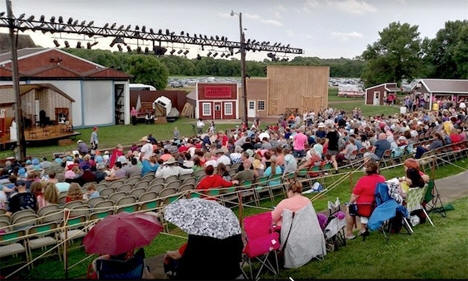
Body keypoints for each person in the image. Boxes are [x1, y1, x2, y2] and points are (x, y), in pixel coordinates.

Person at [345, 160, 385, 239]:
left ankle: (349, 233)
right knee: (359, 207)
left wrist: (349, 204)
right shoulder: (382, 179)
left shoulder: (362, 180)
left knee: (349, 209)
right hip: (377, 206)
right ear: (376, 169)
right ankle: (363, 228)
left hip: (364, 208)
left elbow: (354, 196)